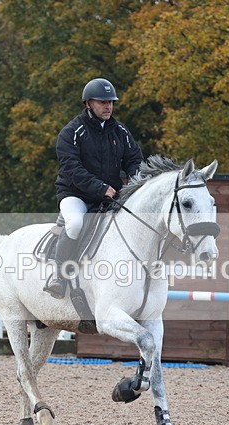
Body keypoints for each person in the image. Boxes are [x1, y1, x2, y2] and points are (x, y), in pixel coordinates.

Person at [44, 77, 144, 299]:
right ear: (88, 103)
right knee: (76, 223)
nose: (108, 106)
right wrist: (100, 188)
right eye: (102, 102)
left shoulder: (120, 131)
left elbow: (134, 159)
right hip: (75, 194)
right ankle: (59, 277)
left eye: (111, 102)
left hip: (110, 195)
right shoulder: (71, 132)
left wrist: (137, 182)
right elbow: (72, 169)